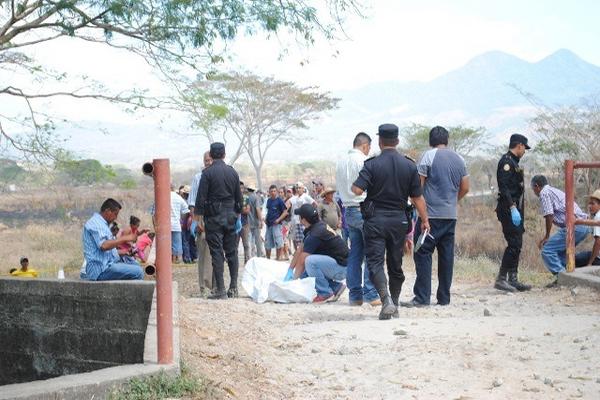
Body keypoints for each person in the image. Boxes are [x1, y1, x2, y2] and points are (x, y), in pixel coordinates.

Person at [351, 123, 429, 320]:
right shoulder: (409, 165)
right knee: (396, 264)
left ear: (379, 141)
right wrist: (425, 220)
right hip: (399, 222)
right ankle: (393, 303)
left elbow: (357, 190)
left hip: (375, 221)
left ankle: (386, 300)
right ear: (397, 141)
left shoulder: (371, 164)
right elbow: (417, 198)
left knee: (375, 263)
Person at [406, 126, 469, 307]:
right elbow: (465, 187)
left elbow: (417, 187)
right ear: (447, 140)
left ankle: (422, 297)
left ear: (430, 140)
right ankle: (444, 298)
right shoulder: (459, 158)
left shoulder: (428, 156)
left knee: (423, 253)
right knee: (446, 256)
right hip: (450, 216)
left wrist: (422, 213)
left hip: (431, 216)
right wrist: (452, 201)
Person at [335, 132, 380, 306]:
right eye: (369, 147)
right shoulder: (363, 161)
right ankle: (370, 292)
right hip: (363, 208)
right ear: (365, 145)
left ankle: (355, 295)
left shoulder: (341, 162)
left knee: (355, 253)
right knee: (371, 251)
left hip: (348, 210)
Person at [195, 142, 243, 299]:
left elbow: (201, 198)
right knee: (232, 252)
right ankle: (234, 288)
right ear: (224, 154)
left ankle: (220, 289)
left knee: (216, 252)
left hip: (214, 217)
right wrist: (236, 213)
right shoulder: (232, 172)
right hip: (230, 216)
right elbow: (239, 198)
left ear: (212, 155)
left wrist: (199, 218)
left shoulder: (207, 174)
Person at [531, 175, 590, 286]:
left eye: (533, 189)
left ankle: (564, 279)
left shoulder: (544, 193)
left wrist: (547, 236)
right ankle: (570, 277)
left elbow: (549, 215)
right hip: (583, 226)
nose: (534, 192)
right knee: (561, 255)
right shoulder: (552, 190)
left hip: (575, 226)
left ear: (536, 186)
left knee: (547, 251)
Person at [286, 204, 348, 303]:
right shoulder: (315, 227)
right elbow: (299, 250)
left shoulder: (315, 233)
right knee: (305, 275)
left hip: (343, 267)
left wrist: (293, 281)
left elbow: (302, 259)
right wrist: (290, 269)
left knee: (310, 262)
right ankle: (337, 287)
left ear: (304, 220)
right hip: (339, 264)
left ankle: (324, 293)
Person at [494, 134, 532, 292]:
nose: (524, 151)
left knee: (518, 243)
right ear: (520, 146)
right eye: (524, 148)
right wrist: (512, 207)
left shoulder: (514, 162)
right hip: (509, 208)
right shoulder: (506, 162)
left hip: (516, 208)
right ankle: (501, 279)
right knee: (514, 243)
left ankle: (513, 279)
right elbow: (504, 187)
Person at [82, 198, 143, 281]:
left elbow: (106, 253)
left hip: (106, 265)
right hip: (100, 270)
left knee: (135, 265)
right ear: (107, 211)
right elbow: (104, 245)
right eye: (115, 214)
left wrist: (124, 252)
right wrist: (125, 238)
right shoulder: (95, 223)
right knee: (138, 272)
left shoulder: (103, 224)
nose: (115, 218)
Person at [189, 151, 215, 295]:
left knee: (215, 253)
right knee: (204, 253)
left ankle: (214, 285)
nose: (208, 162)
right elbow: (192, 202)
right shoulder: (198, 178)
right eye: (206, 160)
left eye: (210, 160)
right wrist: (197, 221)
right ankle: (204, 287)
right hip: (202, 219)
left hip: (216, 219)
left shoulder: (218, 177)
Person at [152, 184, 189, 264]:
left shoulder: (161, 197)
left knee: (165, 245)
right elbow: (186, 210)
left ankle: (166, 262)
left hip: (164, 226)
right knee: (177, 245)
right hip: (176, 225)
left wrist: (155, 225)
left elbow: (154, 213)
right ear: (173, 188)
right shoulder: (178, 198)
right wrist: (182, 221)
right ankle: (176, 260)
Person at [286, 182, 317, 252]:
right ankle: (297, 252)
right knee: (296, 239)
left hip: (304, 222)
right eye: (297, 188)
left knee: (304, 238)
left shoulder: (306, 196)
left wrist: (311, 213)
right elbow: (287, 205)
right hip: (296, 221)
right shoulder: (295, 198)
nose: (298, 189)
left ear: (303, 189)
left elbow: (315, 204)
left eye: (300, 188)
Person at [575, 189, 600, 267]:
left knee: (575, 259)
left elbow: (598, 242)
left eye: (593, 204)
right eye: (589, 203)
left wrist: (590, 263)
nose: (589, 206)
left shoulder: (598, 216)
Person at [264, 184, 288, 260]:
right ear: (269, 192)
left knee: (278, 242)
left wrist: (278, 219)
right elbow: (268, 211)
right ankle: (268, 259)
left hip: (277, 225)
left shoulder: (279, 201)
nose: (273, 192)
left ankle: (278, 258)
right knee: (267, 242)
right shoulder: (268, 200)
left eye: (274, 191)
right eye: (271, 191)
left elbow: (285, 212)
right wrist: (265, 218)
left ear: (276, 192)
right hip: (269, 225)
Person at [247, 186, 265, 258]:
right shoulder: (256, 197)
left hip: (247, 223)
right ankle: (259, 256)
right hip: (255, 222)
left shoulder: (246, 197)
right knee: (257, 240)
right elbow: (258, 210)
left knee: (249, 240)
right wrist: (261, 221)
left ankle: (250, 256)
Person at [238, 181, 251, 264]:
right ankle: (235, 262)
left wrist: (239, 210)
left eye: (242, 188)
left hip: (245, 224)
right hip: (234, 224)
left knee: (246, 244)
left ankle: (247, 261)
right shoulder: (233, 197)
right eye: (239, 188)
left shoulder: (246, 198)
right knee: (234, 245)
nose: (240, 189)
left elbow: (247, 210)